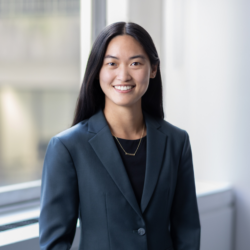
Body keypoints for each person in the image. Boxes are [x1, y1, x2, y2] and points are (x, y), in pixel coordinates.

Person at [39, 22, 200, 250]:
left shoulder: (176, 142)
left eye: (135, 63)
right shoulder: (67, 147)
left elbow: (187, 231)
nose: (123, 75)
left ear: (153, 69)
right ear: (98, 71)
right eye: (112, 64)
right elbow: (54, 244)